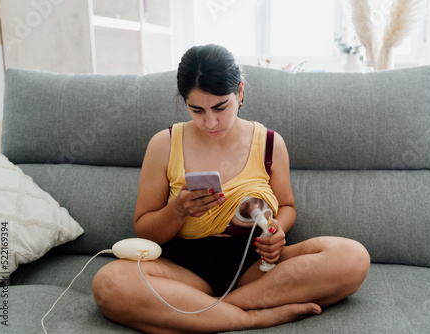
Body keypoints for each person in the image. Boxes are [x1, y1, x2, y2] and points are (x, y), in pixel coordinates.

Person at [92, 44, 370, 333]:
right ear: (183, 100)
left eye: (220, 107)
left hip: (257, 269)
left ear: (239, 92)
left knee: (352, 258)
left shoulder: (270, 143)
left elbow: (287, 207)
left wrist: (277, 231)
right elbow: (145, 231)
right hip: (184, 271)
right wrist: (178, 210)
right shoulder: (164, 144)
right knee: (109, 284)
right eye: (196, 109)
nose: (209, 122)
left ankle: (203, 311)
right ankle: (248, 317)